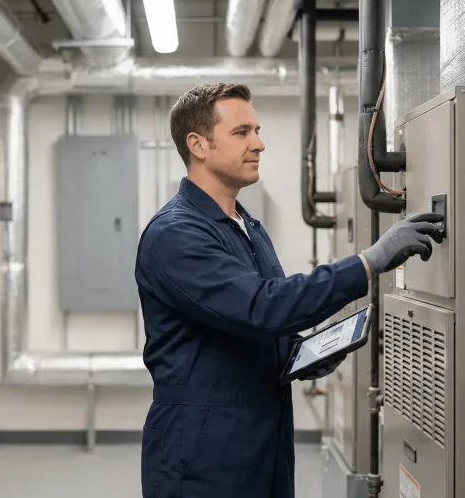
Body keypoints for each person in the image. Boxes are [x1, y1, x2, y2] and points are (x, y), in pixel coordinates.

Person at [134, 83, 443, 498]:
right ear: (198, 145)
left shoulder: (245, 225)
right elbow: (262, 308)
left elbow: (257, 325)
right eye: (242, 132)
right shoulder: (176, 234)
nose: (258, 143)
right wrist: (369, 262)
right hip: (202, 451)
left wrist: (301, 355)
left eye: (257, 130)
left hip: (260, 440)